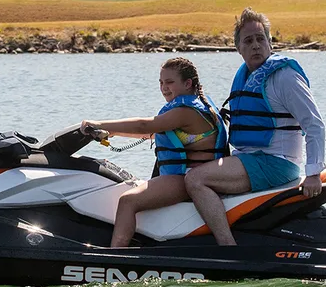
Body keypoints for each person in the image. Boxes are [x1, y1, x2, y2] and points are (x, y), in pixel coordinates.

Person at [183, 8, 326, 246]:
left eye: (261, 39)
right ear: (238, 48)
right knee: (188, 171)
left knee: (196, 180)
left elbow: (314, 125)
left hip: (275, 163)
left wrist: (313, 174)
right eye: (248, 41)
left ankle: (227, 248)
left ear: (270, 43)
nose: (256, 45)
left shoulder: (285, 77)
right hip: (250, 159)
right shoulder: (247, 75)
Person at [80, 57, 228, 248]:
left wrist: (99, 123)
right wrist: (113, 132)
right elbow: (152, 132)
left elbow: (146, 125)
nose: (164, 87)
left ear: (187, 83)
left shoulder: (186, 111)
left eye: (169, 82)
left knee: (127, 201)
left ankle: (116, 258)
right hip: (188, 176)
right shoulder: (197, 105)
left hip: (185, 178)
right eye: (161, 82)